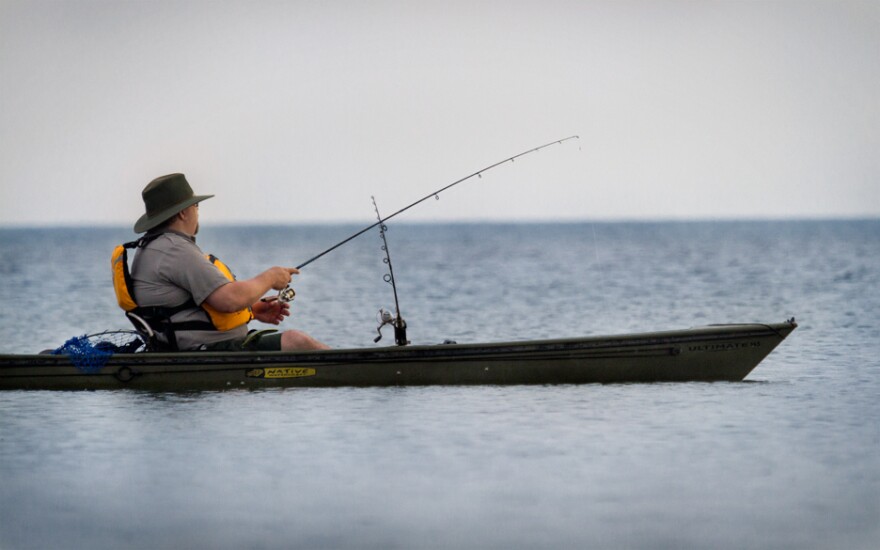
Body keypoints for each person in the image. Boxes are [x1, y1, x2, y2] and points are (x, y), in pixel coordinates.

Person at [124, 173, 329, 352]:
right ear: (183, 212)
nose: (198, 211)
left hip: (189, 345)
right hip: (203, 352)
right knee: (296, 341)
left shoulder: (156, 246)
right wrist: (271, 277)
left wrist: (252, 311)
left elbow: (183, 308)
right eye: (196, 206)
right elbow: (230, 299)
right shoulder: (174, 249)